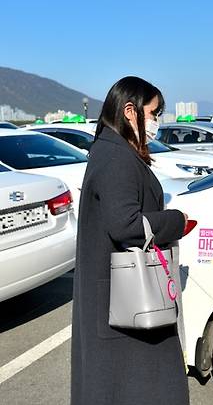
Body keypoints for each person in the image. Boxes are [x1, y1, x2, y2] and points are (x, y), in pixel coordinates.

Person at [71, 76, 189, 405]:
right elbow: (125, 225)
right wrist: (177, 221)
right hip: (124, 299)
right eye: (153, 113)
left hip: (119, 295)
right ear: (129, 111)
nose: (156, 122)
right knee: (134, 386)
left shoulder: (113, 150)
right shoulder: (116, 157)